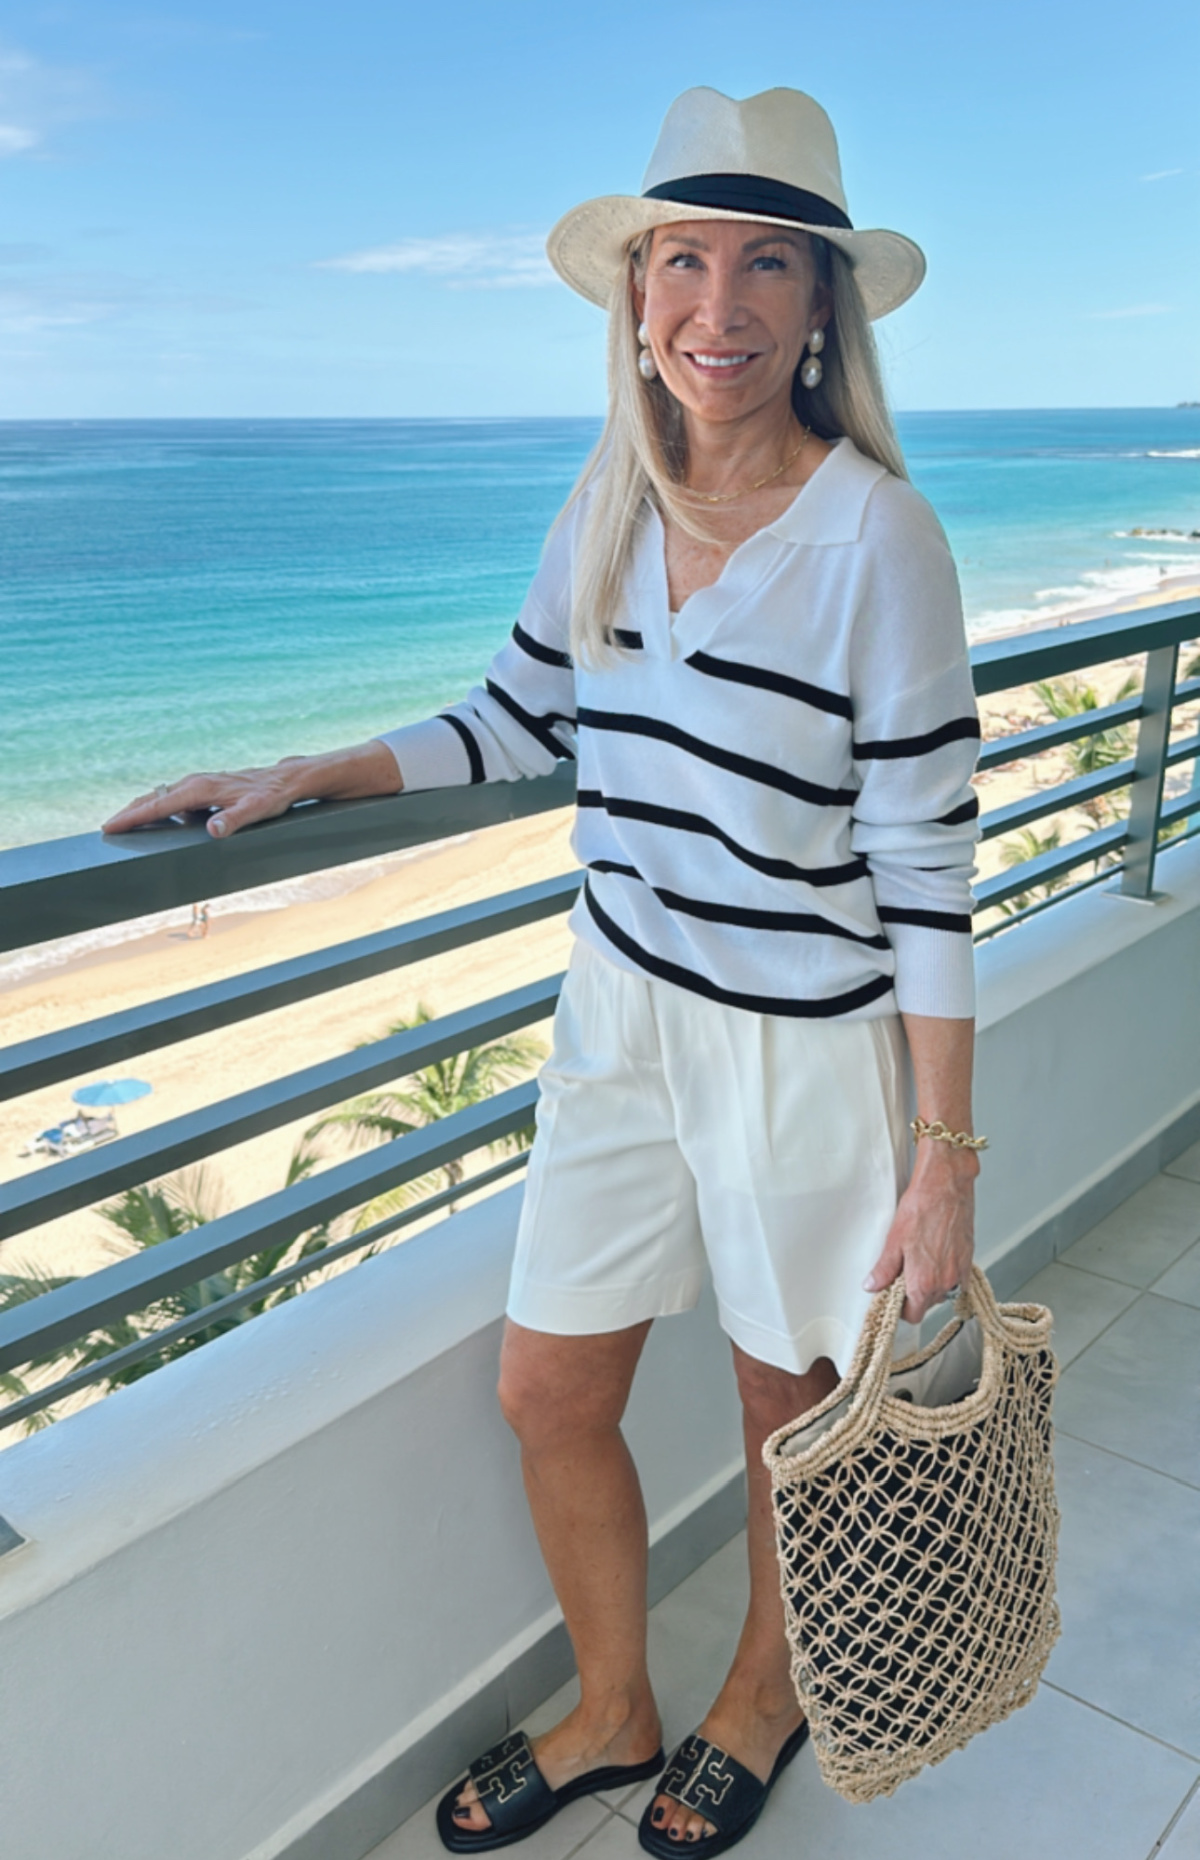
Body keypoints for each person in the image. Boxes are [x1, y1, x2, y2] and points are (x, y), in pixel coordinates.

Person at [104, 87, 983, 1857]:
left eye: (762, 267)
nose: (714, 308)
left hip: (800, 1044)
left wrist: (945, 1155)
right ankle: (612, 1708)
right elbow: (521, 716)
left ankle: (761, 1696)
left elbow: (925, 860)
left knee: (783, 1403)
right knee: (549, 1387)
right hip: (619, 1012)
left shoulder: (879, 537)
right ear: (634, 295)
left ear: (822, 307)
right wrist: (308, 772)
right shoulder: (611, 490)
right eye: (682, 263)